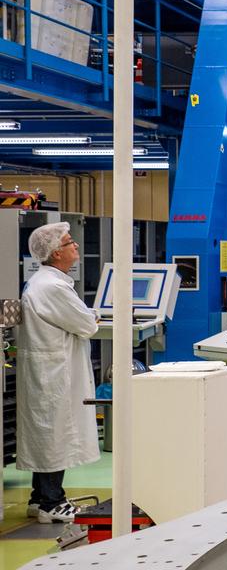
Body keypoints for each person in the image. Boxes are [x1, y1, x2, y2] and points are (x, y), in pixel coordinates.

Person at [17, 223, 98, 523]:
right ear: (55, 253)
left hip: (49, 371)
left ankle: (39, 498)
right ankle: (52, 503)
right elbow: (86, 324)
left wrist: (88, 316)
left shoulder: (44, 282)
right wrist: (92, 316)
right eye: (69, 242)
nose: (75, 245)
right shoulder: (52, 287)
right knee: (55, 435)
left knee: (48, 432)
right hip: (54, 375)